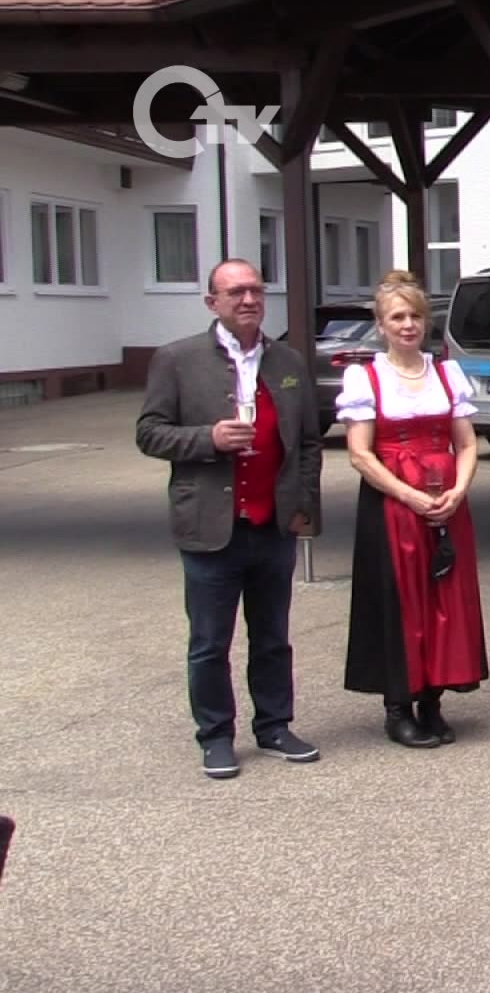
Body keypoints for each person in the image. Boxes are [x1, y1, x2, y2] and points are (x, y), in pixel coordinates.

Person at [135, 258, 325, 780]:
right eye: (236, 292)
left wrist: (303, 504)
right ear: (212, 302)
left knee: (273, 637)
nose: (248, 300)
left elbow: (308, 442)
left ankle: (275, 727)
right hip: (209, 525)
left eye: (255, 290)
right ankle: (216, 736)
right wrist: (208, 439)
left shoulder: (287, 360)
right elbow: (149, 433)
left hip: (272, 525)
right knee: (209, 642)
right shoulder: (177, 359)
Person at [339, 270, 489, 747]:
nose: (408, 325)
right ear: (381, 325)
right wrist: (408, 495)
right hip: (393, 505)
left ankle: (433, 701)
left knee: (444, 600)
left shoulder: (445, 373)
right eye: (398, 317)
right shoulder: (366, 378)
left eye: (415, 316)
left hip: (445, 501)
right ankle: (399, 707)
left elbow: (467, 444)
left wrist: (458, 491)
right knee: (400, 600)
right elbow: (360, 454)